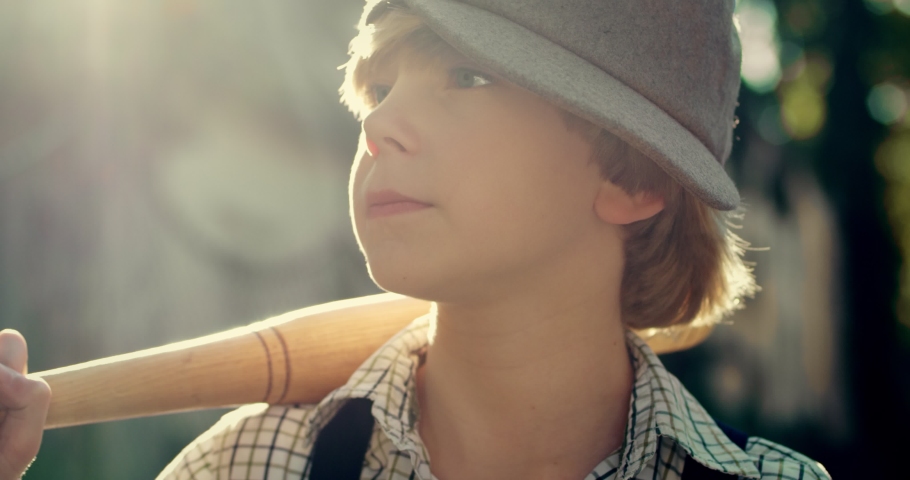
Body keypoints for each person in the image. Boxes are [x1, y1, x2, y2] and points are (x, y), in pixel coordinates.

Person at [0, 0, 832, 479]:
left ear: (635, 179)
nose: (382, 123)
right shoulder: (248, 467)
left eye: (470, 77)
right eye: (382, 86)